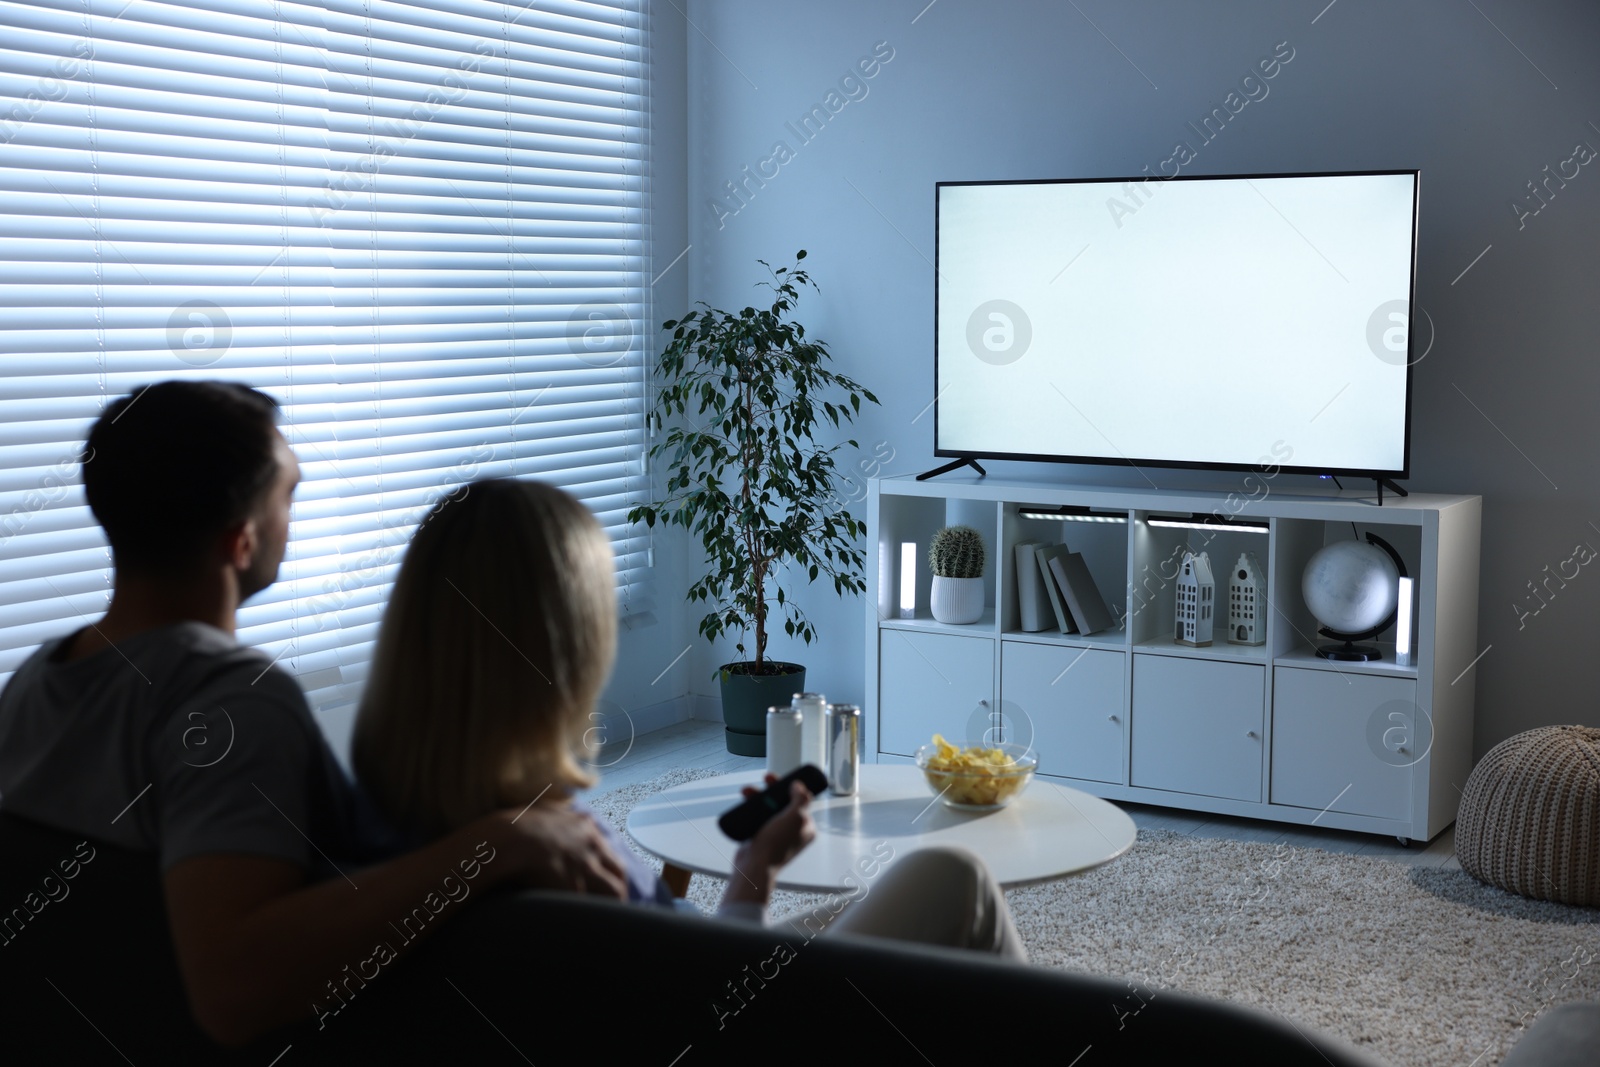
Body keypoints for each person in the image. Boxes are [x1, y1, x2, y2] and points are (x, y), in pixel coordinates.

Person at [0, 381, 634, 1050]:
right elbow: (233, 989)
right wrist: (497, 843)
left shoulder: (36, 679)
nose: (294, 514)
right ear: (240, 540)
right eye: (289, 492)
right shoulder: (232, 701)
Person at [352, 476, 1027, 955]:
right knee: (955, 879)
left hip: (709, 950)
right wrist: (753, 877)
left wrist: (744, 875)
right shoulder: (558, 855)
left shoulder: (381, 830)